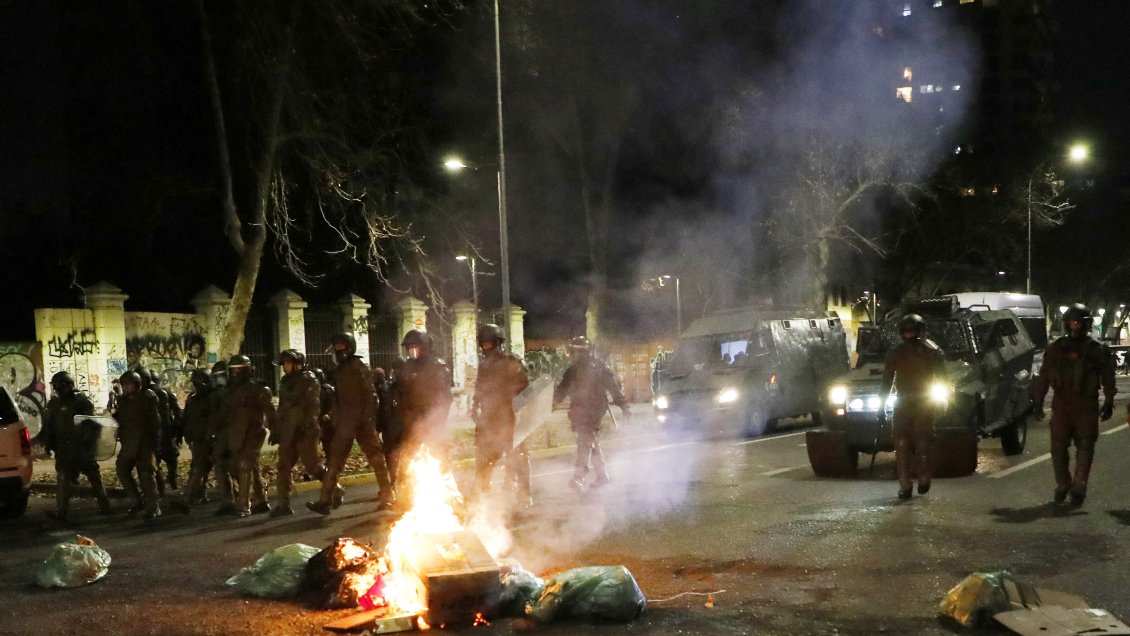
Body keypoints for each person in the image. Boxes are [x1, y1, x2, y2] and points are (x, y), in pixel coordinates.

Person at [1031, 303, 1116, 506]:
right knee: (1058, 446)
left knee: (1085, 445)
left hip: (1086, 404)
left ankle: (1079, 485)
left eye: (1078, 322)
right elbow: (1043, 376)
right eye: (1072, 322)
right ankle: (1063, 482)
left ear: (1085, 325)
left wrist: (1109, 400)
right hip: (1062, 404)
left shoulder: (1096, 350)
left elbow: (1108, 376)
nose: (1075, 326)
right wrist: (1038, 400)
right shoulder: (1056, 348)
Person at [307, 333, 392, 515]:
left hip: (362, 422)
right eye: (336, 347)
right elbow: (337, 399)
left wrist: (367, 418)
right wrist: (335, 418)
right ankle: (325, 500)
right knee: (335, 461)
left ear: (349, 347)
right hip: (345, 423)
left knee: (376, 459)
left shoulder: (359, 366)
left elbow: (371, 396)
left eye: (341, 347)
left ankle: (388, 495)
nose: (338, 351)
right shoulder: (339, 371)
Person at [877, 313, 946, 500]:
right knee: (901, 444)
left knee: (923, 443)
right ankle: (905, 485)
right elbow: (887, 381)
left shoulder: (932, 352)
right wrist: (882, 405)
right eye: (906, 332)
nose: (909, 335)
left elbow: (942, 379)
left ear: (920, 332)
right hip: (903, 402)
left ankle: (924, 478)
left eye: (912, 331)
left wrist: (943, 400)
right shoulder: (895, 353)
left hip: (924, 403)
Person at [553, 336, 630, 491]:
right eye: (575, 351)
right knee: (590, 442)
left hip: (595, 410)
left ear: (588, 351)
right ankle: (602, 476)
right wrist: (550, 404)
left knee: (585, 440)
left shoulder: (600, 368)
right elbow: (561, 391)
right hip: (578, 410)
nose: (577, 355)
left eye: (581, 351)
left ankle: (579, 476)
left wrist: (624, 406)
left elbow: (614, 389)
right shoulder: (572, 370)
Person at [471, 323, 532, 509]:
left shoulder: (511, 362)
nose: (487, 347)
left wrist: (516, 406)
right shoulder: (483, 364)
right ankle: (481, 495)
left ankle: (524, 495)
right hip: (488, 418)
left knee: (518, 456)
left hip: (509, 418)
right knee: (484, 458)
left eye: (490, 343)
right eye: (484, 344)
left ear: (498, 342)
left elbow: (526, 390)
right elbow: (480, 387)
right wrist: (475, 405)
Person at [40, 371, 110, 520]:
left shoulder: (81, 401)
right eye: (57, 386)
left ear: (69, 385)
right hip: (64, 448)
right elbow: (50, 426)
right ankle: (62, 511)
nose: (59, 389)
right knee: (63, 478)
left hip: (81, 447)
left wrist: (88, 443)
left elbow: (92, 425)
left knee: (93, 476)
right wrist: (49, 443)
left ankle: (105, 505)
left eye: (61, 386)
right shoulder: (54, 404)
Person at [272, 349, 334, 516]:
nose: (285, 367)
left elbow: (313, 407)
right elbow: (284, 408)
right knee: (283, 466)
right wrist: (277, 429)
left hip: (305, 431)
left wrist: (307, 425)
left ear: (297, 364)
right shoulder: (285, 381)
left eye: (288, 363)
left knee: (313, 467)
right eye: (284, 363)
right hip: (288, 430)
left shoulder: (309, 380)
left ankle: (336, 490)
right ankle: (283, 504)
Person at [217, 355, 274, 517]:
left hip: (254, 432)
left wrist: (275, 429)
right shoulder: (229, 391)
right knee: (242, 466)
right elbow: (224, 413)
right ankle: (261, 500)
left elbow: (269, 411)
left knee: (244, 464)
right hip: (236, 433)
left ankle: (243, 505)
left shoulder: (258, 389)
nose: (235, 373)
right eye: (233, 370)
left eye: (239, 370)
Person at [393, 330, 453, 468]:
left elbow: (445, 396)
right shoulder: (407, 366)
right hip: (412, 417)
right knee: (409, 452)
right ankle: (406, 486)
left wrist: (438, 418)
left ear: (425, 346)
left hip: (431, 417)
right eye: (409, 347)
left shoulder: (437, 366)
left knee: (437, 451)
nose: (412, 350)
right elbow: (401, 390)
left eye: (415, 346)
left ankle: (445, 483)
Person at [114, 371, 162, 520]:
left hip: (145, 442)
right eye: (124, 385)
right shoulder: (122, 400)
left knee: (146, 474)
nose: (126, 388)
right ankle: (136, 500)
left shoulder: (147, 398)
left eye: (129, 385)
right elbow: (120, 419)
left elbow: (156, 422)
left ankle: (153, 507)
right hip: (129, 441)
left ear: (137, 385)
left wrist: (157, 443)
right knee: (122, 469)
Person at [172, 369, 217, 512]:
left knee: (199, 468)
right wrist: (181, 433)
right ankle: (200, 494)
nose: (196, 387)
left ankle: (188, 499)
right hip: (195, 437)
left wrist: (210, 435)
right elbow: (187, 416)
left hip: (206, 438)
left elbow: (214, 419)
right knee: (201, 467)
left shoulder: (212, 398)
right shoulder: (193, 397)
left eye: (198, 384)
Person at [374, 365, 404, 492]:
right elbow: (381, 412)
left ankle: (400, 484)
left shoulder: (400, 390)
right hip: (389, 431)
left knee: (401, 458)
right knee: (391, 458)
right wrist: (379, 428)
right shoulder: (386, 391)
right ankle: (393, 484)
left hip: (399, 429)